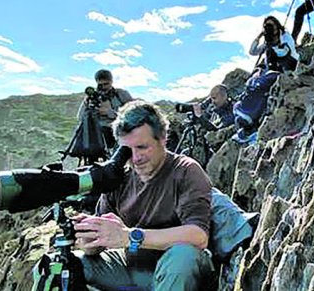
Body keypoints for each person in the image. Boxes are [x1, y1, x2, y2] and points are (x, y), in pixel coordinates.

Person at [74, 101, 214, 290]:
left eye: (142, 147)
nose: (136, 158)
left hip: (174, 270)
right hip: (130, 267)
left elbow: (198, 236)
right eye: (127, 150)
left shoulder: (185, 171)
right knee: (64, 264)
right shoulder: (119, 176)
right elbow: (99, 242)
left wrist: (130, 237)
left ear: (163, 138)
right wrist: (90, 239)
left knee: (183, 256)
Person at [77, 69, 134, 156]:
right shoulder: (91, 98)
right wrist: (89, 108)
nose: (103, 87)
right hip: (97, 133)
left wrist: (110, 113)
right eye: (100, 85)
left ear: (111, 81)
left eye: (106, 84)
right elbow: (80, 117)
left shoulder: (121, 95)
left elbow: (133, 115)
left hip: (118, 130)